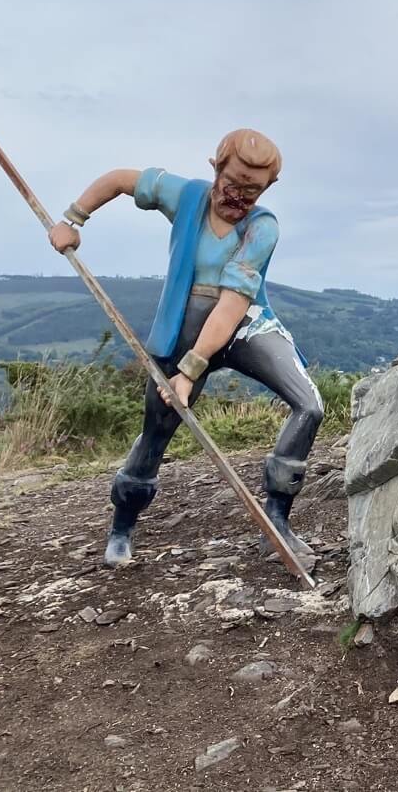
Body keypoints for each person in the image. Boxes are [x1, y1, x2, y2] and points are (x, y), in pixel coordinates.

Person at [48, 129, 322, 568]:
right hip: (181, 330)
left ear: (267, 188)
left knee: (309, 404)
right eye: (232, 183)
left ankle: (277, 523)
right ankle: (121, 528)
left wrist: (190, 372)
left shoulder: (262, 228)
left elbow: (232, 307)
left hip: (244, 326)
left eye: (252, 191)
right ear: (215, 168)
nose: (238, 196)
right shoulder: (187, 196)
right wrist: (73, 218)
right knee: (157, 431)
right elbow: (121, 179)